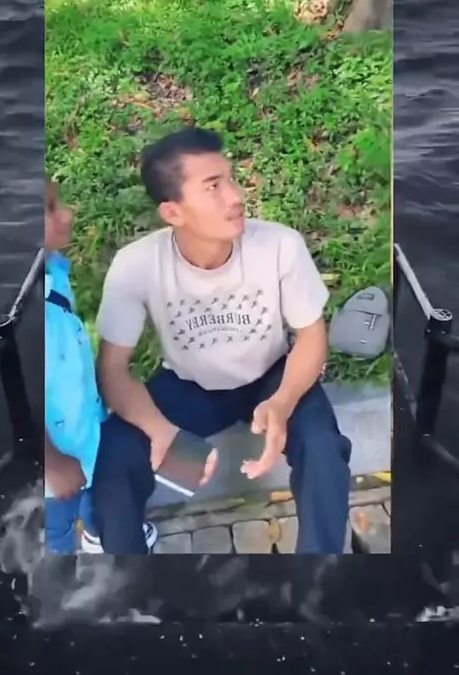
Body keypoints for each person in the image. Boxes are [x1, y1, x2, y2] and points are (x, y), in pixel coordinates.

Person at [93, 127, 352, 555]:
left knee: (324, 450)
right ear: (173, 212)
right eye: (213, 186)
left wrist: (283, 402)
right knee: (114, 456)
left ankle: (318, 577)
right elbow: (113, 369)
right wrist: (161, 432)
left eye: (231, 179)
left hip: (271, 376)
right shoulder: (136, 265)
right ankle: (129, 582)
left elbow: (311, 336)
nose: (235, 196)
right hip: (189, 386)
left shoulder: (279, 245)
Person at [45, 181, 157, 553]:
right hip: (53, 471)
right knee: (54, 534)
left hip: (87, 434)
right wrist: (49, 462)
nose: (68, 213)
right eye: (50, 208)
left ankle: (97, 533)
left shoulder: (52, 272)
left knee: (98, 498)